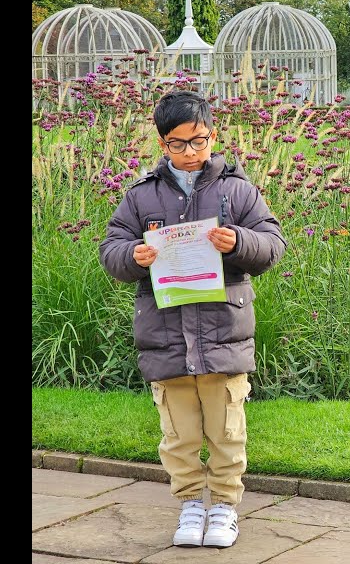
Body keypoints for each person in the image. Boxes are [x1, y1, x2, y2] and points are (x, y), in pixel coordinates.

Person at [99, 90, 287, 548]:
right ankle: (190, 505)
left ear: (213, 135)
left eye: (199, 141)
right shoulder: (141, 196)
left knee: (226, 429)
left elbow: (273, 244)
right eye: (178, 144)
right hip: (165, 336)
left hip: (224, 333)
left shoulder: (238, 189)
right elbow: (111, 250)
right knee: (178, 434)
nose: (190, 152)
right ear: (162, 143)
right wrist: (134, 255)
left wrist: (238, 241)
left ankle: (223, 506)